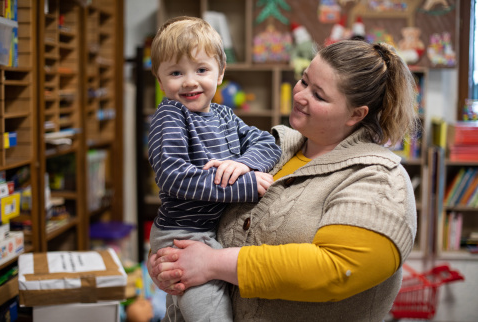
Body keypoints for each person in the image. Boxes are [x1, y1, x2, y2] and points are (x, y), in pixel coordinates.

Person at [148, 39, 418, 322]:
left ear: (356, 114)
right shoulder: (276, 145)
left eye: (319, 95)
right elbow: (195, 203)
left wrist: (212, 263)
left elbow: (336, 270)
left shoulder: (379, 180)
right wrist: (169, 262)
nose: (300, 96)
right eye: (303, 81)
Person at [148, 16, 282, 322]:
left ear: (220, 73)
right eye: (176, 72)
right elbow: (173, 176)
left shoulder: (225, 115)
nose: (190, 81)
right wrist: (245, 185)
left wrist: (244, 163)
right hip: (182, 236)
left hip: (210, 233)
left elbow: (267, 142)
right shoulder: (170, 116)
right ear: (159, 79)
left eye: (201, 69)